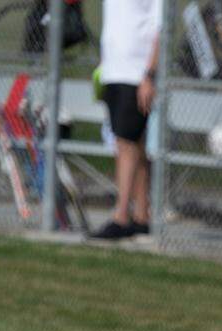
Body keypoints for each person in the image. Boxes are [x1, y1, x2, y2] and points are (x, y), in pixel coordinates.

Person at [91, 0, 161, 239]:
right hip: (113, 70)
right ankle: (142, 216)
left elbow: (161, 28)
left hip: (136, 74)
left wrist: (149, 75)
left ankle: (121, 216)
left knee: (125, 143)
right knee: (133, 144)